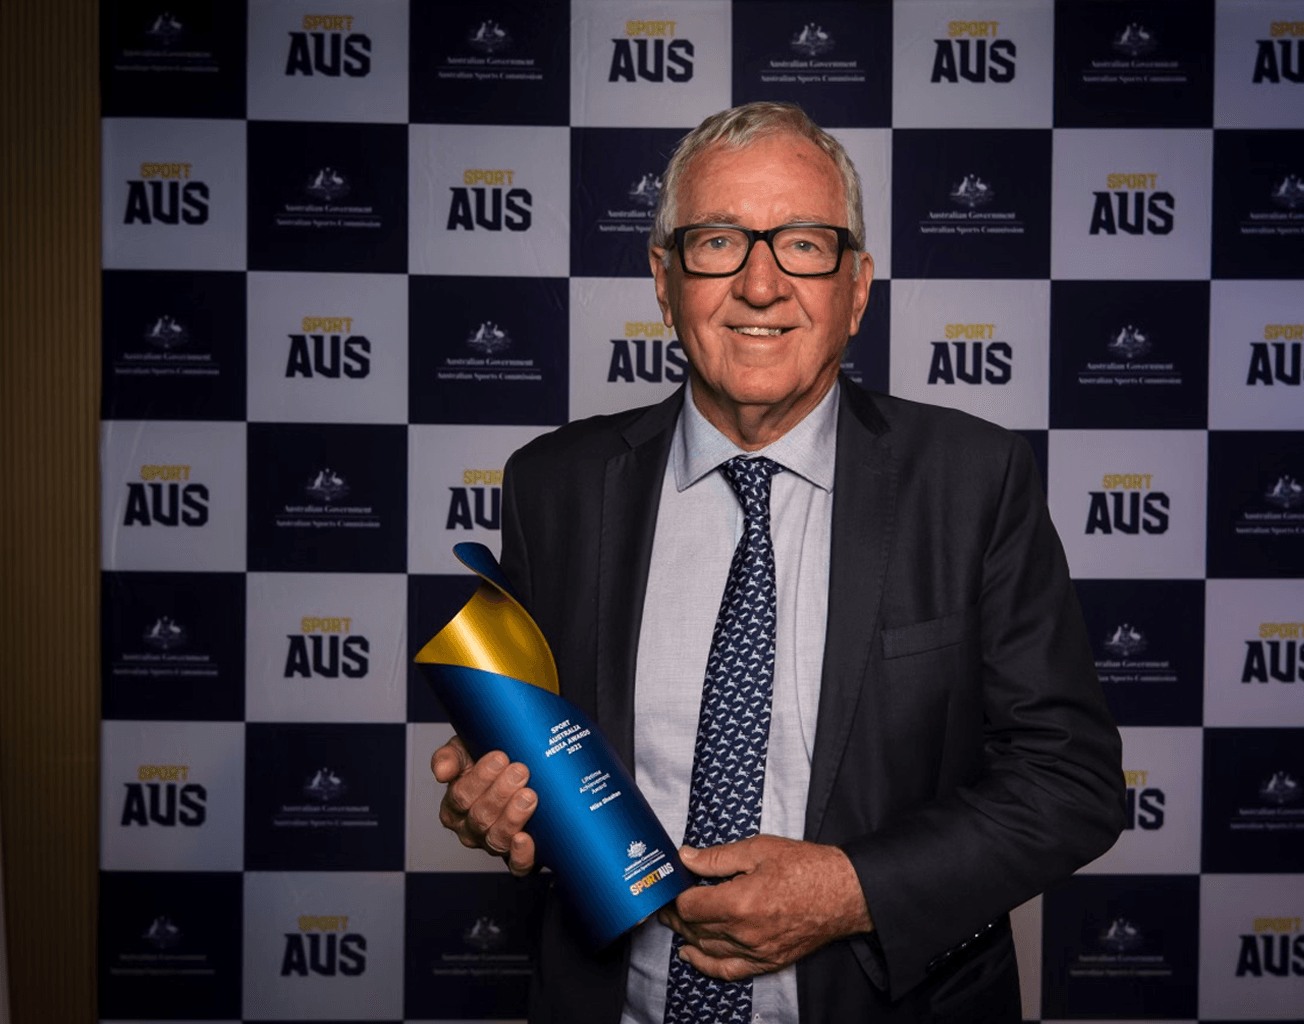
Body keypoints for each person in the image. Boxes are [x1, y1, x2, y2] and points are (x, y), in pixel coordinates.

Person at [431, 101, 1123, 1024]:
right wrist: (499, 798)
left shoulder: (974, 480)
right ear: (665, 280)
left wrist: (849, 891)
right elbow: (537, 753)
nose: (761, 286)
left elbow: (1072, 783)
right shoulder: (554, 484)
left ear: (857, 288)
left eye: (803, 244)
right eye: (719, 242)